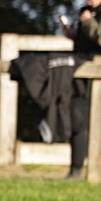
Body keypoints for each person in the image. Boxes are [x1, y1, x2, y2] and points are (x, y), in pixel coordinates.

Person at [63, 0, 101, 179]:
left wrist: (88, 23)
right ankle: (76, 169)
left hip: (98, 73)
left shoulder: (90, 16)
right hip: (79, 71)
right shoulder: (84, 11)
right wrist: (74, 35)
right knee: (78, 118)